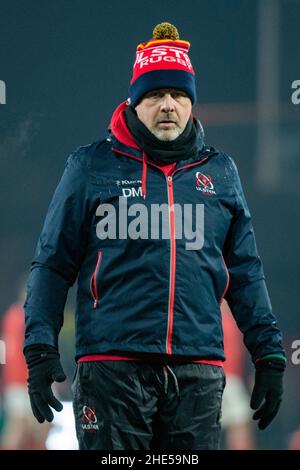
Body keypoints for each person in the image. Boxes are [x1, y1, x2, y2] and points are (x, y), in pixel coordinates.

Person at [23, 22, 286, 450]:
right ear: (134, 101)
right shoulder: (90, 167)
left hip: (197, 371)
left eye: (179, 95)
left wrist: (269, 354)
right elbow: (52, 264)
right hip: (112, 369)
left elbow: (245, 271)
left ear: (191, 103)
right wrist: (38, 348)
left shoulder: (220, 173)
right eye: (155, 95)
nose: (168, 105)